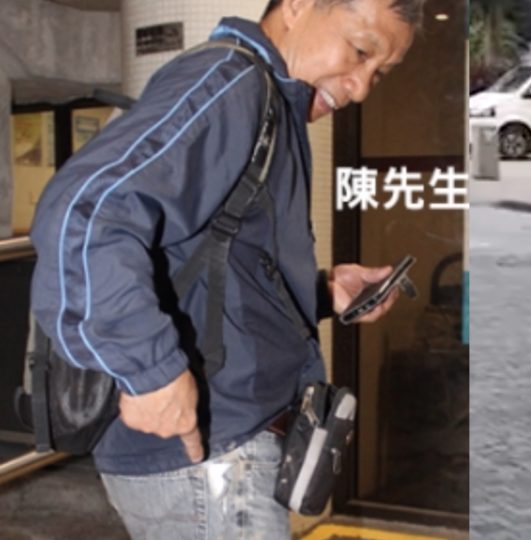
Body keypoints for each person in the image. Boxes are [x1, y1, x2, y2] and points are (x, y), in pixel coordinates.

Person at [27, 0, 422, 537]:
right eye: (360, 51)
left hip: (228, 448)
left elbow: (216, 267)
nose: (361, 85)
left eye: (380, 72)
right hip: (209, 458)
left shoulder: (269, 102)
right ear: (300, 6)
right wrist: (151, 373)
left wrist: (324, 292)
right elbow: (83, 215)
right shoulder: (231, 84)